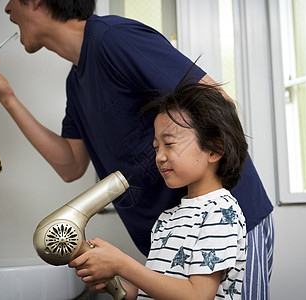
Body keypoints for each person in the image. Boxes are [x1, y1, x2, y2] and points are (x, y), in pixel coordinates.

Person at [0, 1, 274, 298]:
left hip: (218, 223)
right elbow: (70, 165)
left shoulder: (113, 38)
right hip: (170, 238)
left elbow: (219, 104)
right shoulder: (76, 83)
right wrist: (7, 97)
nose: (7, 9)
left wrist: (123, 264)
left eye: (11, 0)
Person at [69, 77, 248, 299]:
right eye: (156, 148)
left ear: (214, 149)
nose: (160, 157)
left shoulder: (221, 213)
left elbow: (198, 296)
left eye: (170, 144)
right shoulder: (167, 218)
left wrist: (121, 264)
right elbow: (152, 292)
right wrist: (114, 282)